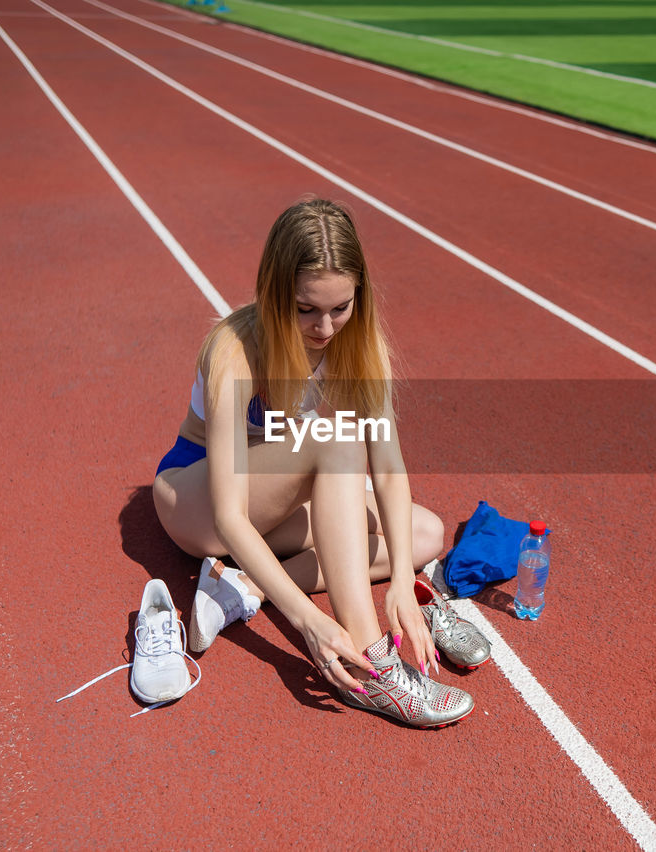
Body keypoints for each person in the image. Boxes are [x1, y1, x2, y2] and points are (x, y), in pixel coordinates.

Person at [152, 198, 479, 727]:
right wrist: (307, 621)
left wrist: (400, 579)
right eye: (306, 309)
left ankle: (246, 586)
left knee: (423, 535)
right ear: (275, 292)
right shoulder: (233, 349)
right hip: (198, 495)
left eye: (340, 307)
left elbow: (389, 468)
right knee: (337, 440)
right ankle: (373, 664)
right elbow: (232, 514)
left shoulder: (357, 339)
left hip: (273, 488)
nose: (325, 328)